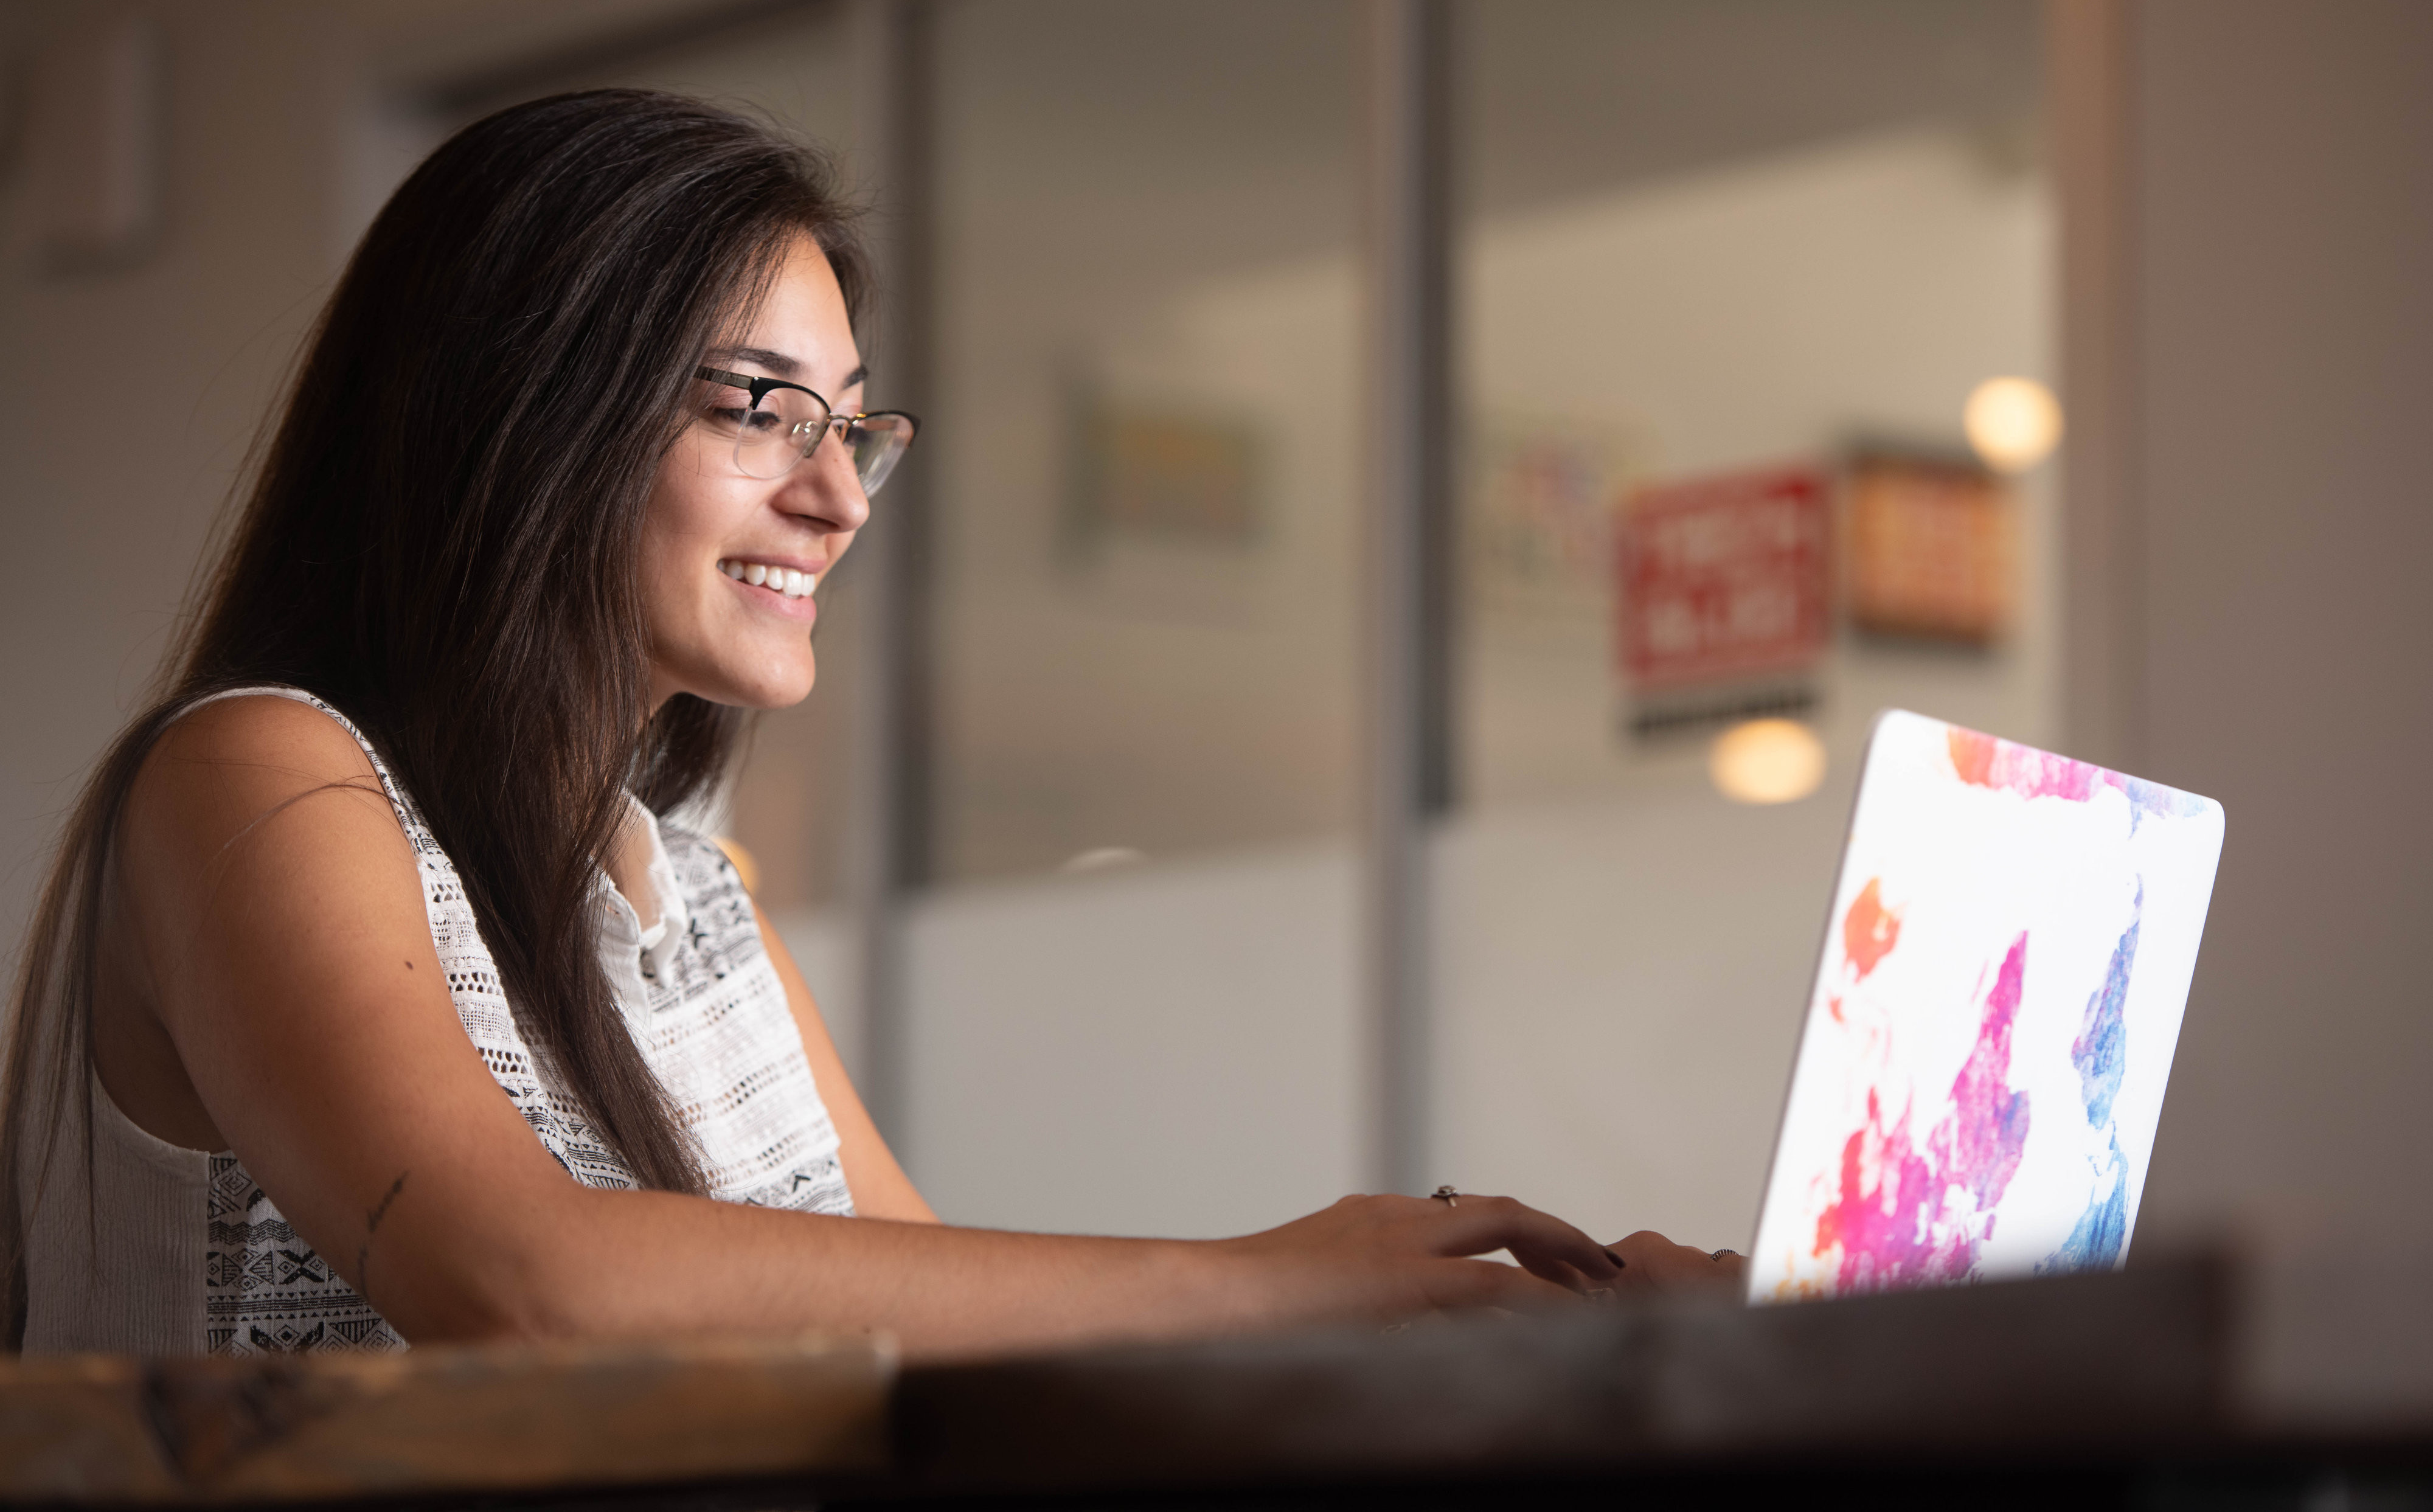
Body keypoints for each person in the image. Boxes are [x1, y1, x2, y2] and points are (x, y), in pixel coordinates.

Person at [0, 90, 1735, 1358]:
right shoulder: (259, 774)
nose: (838, 498)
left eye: (854, 426)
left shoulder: (686, 899)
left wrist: (1510, 1323)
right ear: (528, 407)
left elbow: (932, 1320)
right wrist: (1287, 1272)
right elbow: (524, 1284)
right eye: (763, 407)